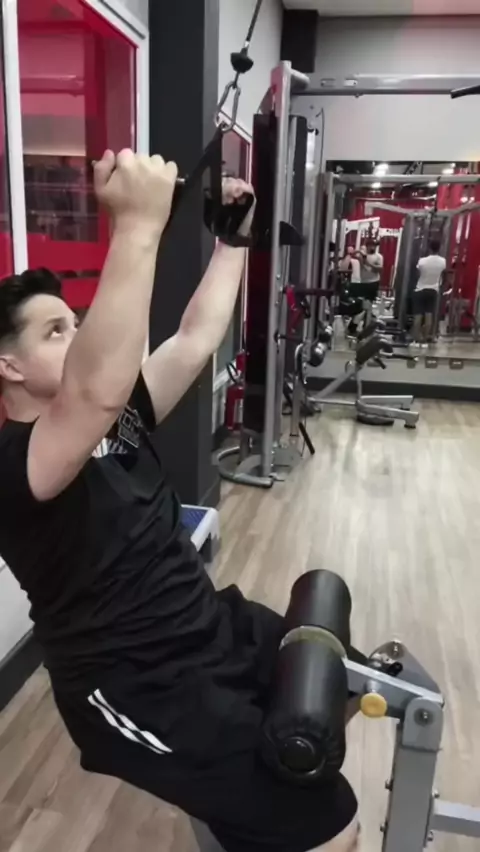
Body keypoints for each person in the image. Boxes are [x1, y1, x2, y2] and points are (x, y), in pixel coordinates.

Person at [0, 150, 359, 852]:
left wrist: (233, 241)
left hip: (206, 624)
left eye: (75, 322)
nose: (77, 335)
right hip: (134, 683)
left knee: (334, 688)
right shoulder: (16, 464)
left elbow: (194, 340)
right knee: (330, 824)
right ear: (7, 365)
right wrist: (137, 226)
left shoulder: (117, 414)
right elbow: (92, 390)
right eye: (55, 331)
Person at [412, 240, 446, 346]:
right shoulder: (443, 261)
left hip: (420, 289)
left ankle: (416, 340)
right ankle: (425, 338)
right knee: (429, 316)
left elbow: (417, 274)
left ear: (429, 248)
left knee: (418, 316)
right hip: (433, 290)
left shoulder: (422, 261)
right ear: (439, 248)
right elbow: (443, 274)